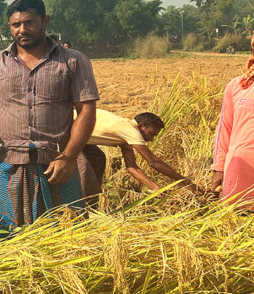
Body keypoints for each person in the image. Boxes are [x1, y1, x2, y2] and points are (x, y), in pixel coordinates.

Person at [0, 0, 100, 234]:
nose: (22, 30)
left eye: (29, 22)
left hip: (58, 164)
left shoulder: (72, 61)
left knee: (68, 236)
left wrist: (69, 157)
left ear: (44, 21)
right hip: (11, 162)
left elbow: (86, 112)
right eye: (16, 25)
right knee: (11, 236)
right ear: (9, 27)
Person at [82, 109, 202, 195]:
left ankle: (92, 198)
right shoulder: (130, 130)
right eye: (151, 133)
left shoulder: (126, 134)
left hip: (82, 140)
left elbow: (132, 167)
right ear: (141, 125)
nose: (151, 139)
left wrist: (155, 188)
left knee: (98, 158)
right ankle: (81, 206)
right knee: (85, 168)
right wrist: (185, 182)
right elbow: (153, 161)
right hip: (67, 133)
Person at [211, 34, 254, 211]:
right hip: (239, 169)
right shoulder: (238, 86)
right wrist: (219, 168)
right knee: (237, 227)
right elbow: (224, 130)